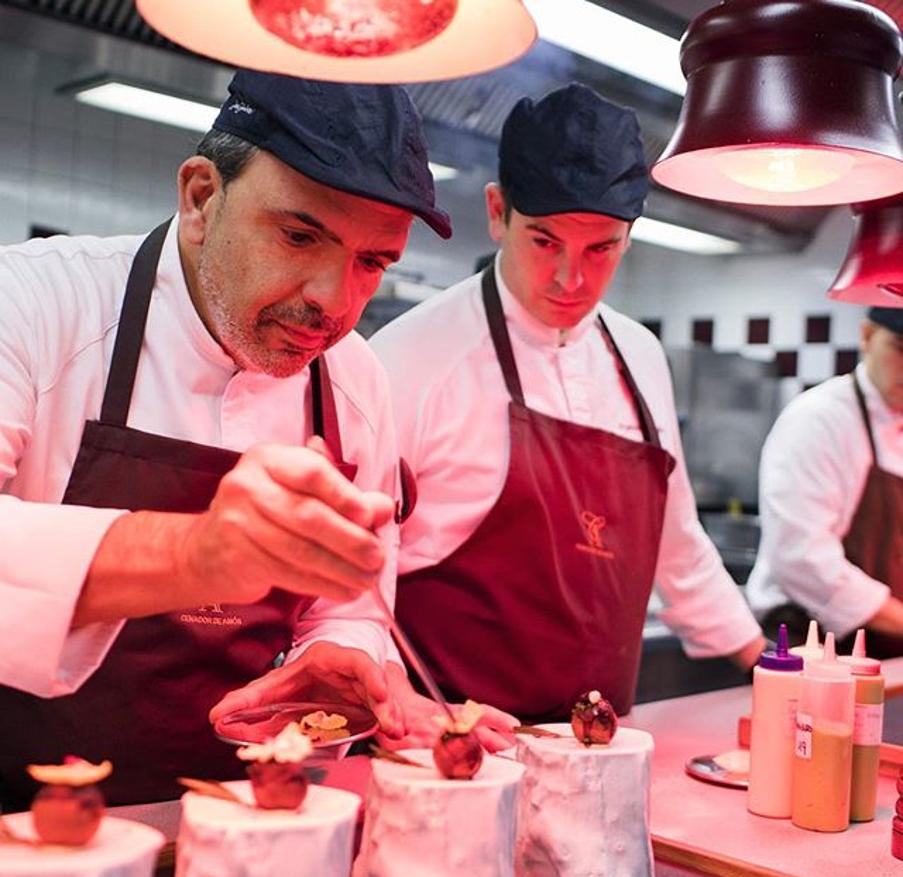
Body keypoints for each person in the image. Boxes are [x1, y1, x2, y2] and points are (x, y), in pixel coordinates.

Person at [0, 69, 454, 809]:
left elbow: (349, 603)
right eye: (299, 235)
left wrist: (338, 653)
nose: (332, 303)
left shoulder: (355, 378)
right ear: (202, 197)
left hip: (250, 821)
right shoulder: (35, 301)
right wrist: (199, 554)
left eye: (371, 262)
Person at [371, 83, 764, 723]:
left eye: (600, 248)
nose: (570, 279)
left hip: (598, 748)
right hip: (448, 751)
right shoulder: (411, 356)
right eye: (545, 241)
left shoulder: (640, 357)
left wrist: (771, 666)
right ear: (498, 212)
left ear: (630, 237)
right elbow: (357, 573)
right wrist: (398, 703)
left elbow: (678, 545)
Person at [750, 306, 903, 657]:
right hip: (809, 647)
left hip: (884, 650)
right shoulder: (819, 419)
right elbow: (804, 559)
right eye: (901, 347)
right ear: (866, 336)